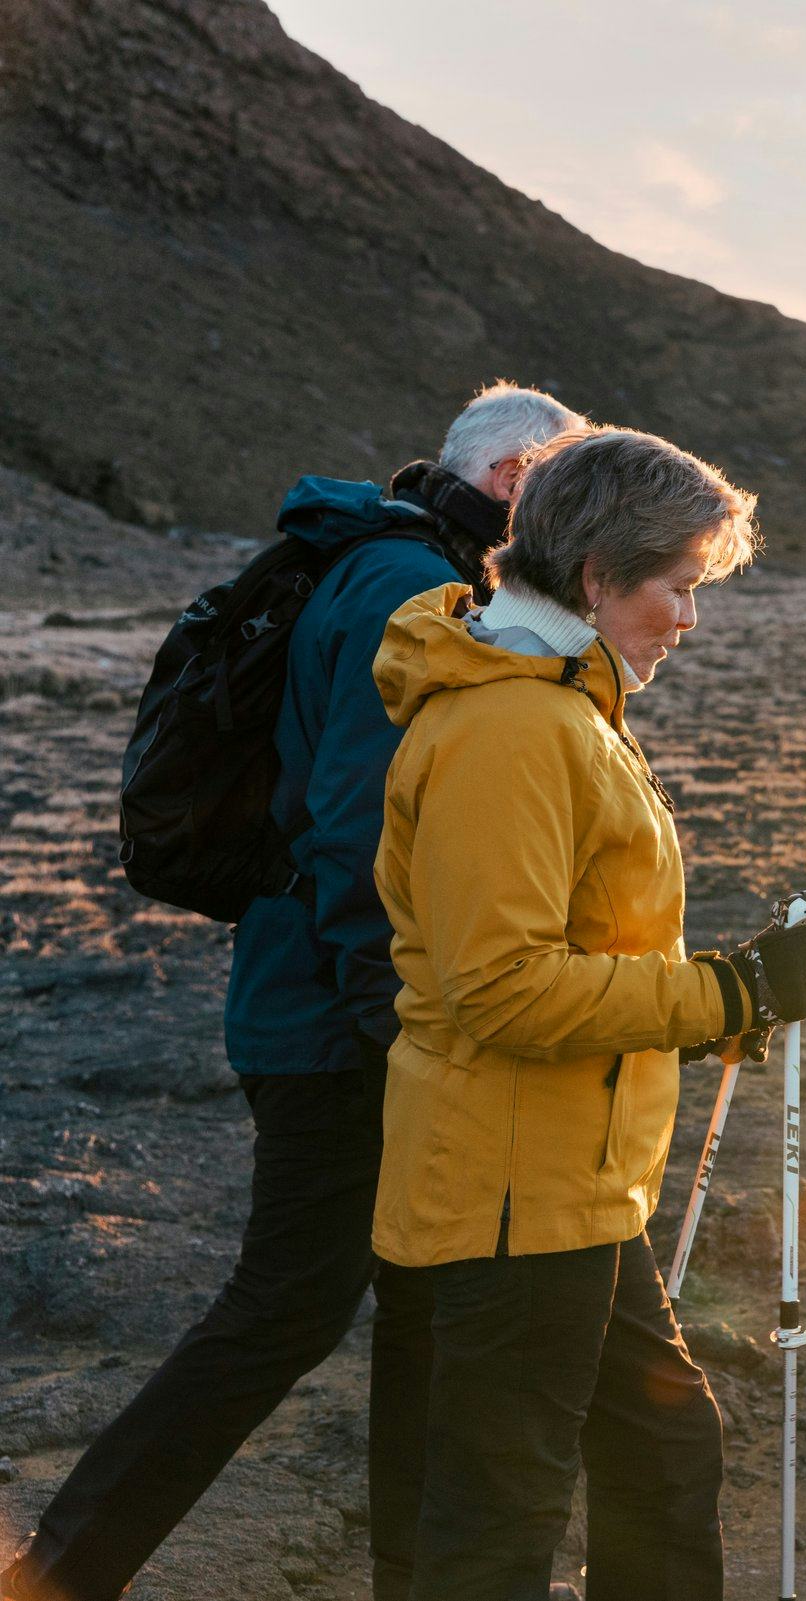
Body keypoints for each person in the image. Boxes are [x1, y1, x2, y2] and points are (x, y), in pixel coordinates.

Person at [3, 382, 586, 1601]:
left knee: (416, 1301)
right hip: (336, 1021)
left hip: (327, 999)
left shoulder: (407, 567)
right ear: (516, 481)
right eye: (564, 493)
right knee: (284, 1306)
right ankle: (56, 1572)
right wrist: (403, 1024)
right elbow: (355, 834)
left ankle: (411, 1577)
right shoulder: (397, 587)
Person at [369, 426, 806, 1600]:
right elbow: (505, 984)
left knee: (660, 1452)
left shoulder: (558, 703)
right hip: (512, 1191)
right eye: (677, 587)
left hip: (572, 1182)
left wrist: (720, 1007)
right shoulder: (509, 728)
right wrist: (721, 990)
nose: (688, 618)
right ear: (593, 577)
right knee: (500, 1517)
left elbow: (586, 947)